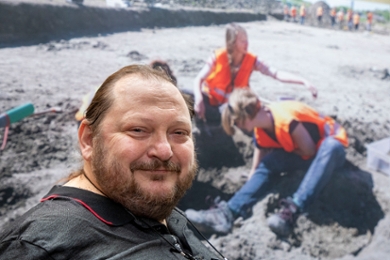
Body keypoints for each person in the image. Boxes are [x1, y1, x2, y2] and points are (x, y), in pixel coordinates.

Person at [0, 65, 226, 260]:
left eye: (179, 132)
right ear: (89, 140)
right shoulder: (39, 247)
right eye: (138, 130)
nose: (165, 151)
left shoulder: (147, 205)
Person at [185, 88, 348, 236]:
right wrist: (252, 176)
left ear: (245, 118)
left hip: (329, 153)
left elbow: (310, 151)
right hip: (308, 153)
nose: (238, 127)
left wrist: (284, 152)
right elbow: (260, 150)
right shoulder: (262, 126)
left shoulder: (285, 120)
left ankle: (294, 209)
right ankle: (227, 212)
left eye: (237, 122)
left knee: (330, 146)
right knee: (271, 160)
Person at [193, 23, 317, 125]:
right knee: (184, 96)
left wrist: (304, 81)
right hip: (209, 100)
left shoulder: (252, 60)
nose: (247, 44)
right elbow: (198, 79)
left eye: (247, 40)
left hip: (232, 107)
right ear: (232, 43)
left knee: (239, 110)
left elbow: (276, 74)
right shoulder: (218, 56)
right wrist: (199, 98)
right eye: (242, 41)